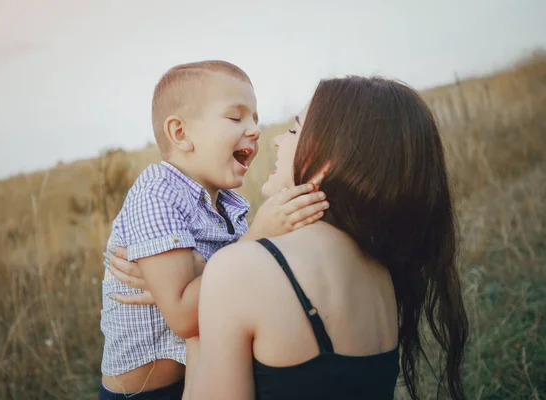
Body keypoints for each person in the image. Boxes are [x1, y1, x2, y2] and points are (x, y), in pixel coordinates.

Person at [184, 76, 469, 399]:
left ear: (327, 163)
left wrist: (195, 334)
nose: (277, 140)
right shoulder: (382, 274)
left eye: (293, 130)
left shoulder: (241, 269)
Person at [98, 60, 329, 400]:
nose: (253, 130)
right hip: (146, 394)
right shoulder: (156, 194)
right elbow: (184, 318)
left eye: (255, 119)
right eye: (236, 118)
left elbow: (230, 286)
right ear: (180, 133)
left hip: (201, 377)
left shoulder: (225, 203)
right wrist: (259, 235)